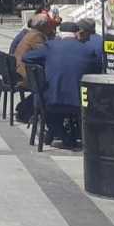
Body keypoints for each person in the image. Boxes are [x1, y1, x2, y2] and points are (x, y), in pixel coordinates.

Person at [23, 21, 102, 149]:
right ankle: (67, 136)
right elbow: (96, 69)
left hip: (52, 101)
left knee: (50, 109)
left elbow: (27, 57)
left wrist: (46, 62)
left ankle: (62, 135)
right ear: (77, 34)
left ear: (60, 34)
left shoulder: (50, 46)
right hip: (80, 102)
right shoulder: (88, 50)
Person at [14, 13, 52, 85]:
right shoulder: (37, 36)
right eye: (49, 23)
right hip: (25, 75)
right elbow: (44, 54)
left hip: (18, 71)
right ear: (43, 25)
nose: (50, 26)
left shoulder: (31, 33)